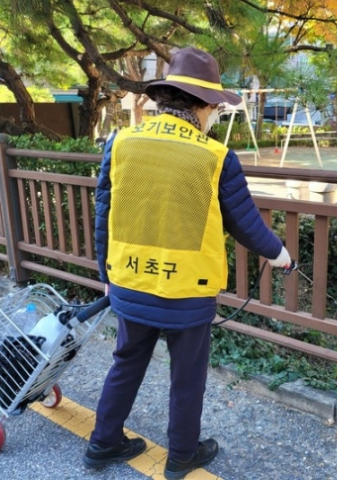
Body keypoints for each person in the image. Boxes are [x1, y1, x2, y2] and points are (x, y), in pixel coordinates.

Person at [85, 47, 292, 479]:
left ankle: (102, 444)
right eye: (215, 107)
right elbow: (245, 223)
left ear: (165, 99)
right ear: (204, 106)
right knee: (187, 376)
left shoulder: (121, 143)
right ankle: (181, 457)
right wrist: (280, 255)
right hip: (187, 293)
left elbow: (104, 213)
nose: (216, 114)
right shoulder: (215, 157)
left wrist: (107, 275)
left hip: (130, 280)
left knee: (126, 362)